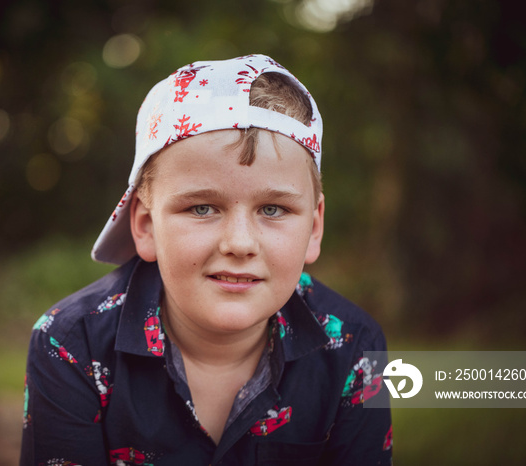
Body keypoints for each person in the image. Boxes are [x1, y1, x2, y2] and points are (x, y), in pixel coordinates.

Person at [20, 54, 392, 465]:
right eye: (201, 208)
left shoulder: (355, 347)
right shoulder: (70, 344)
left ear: (314, 229)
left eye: (272, 209)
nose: (239, 243)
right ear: (144, 225)